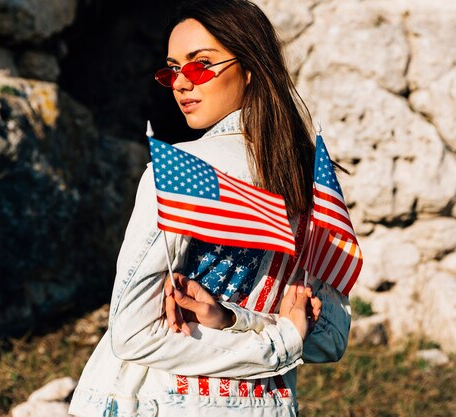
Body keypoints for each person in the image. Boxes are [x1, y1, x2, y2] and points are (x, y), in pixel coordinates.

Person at [68, 1, 351, 416]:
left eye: (200, 65)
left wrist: (276, 342)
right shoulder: (313, 178)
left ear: (251, 66)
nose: (182, 83)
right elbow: (326, 338)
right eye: (172, 70)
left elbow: (131, 335)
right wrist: (237, 320)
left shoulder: (180, 174)